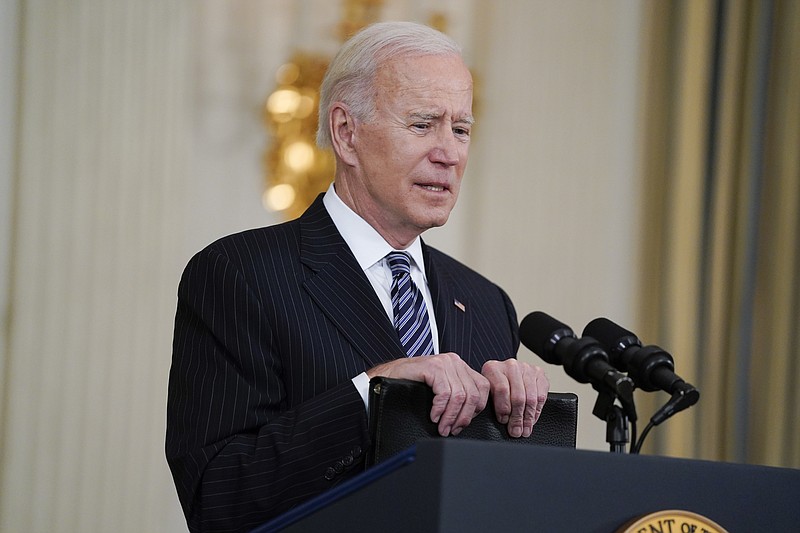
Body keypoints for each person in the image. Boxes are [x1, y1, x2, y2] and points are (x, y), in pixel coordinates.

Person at [166, 21, 549, 533]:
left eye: (460, 130)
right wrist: (371, 392)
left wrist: (521, 423)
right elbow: (219, 498)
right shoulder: (240, 275)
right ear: (346, 133)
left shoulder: (484, 301)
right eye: (422, 125)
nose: (450, 153)